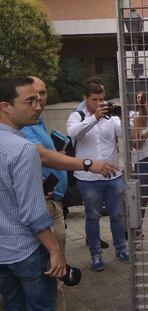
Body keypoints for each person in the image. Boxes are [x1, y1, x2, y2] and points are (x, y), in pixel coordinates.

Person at [20, 76, 117, 310]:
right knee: (44, 268)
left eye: (42, 94)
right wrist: (86, 163)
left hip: (54, 201)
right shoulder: (20, 129)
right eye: (32, 97)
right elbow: (42, 154)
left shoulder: (38, 122)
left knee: (56, 270)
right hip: (40, 204)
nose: (39, 101)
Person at [0, 77, 66, 310]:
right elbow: (32, 214)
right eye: (29, 101)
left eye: (38, 99)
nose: (37, 106)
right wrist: (55, 249)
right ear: (5, 107)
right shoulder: (23, 149)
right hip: (27, 250)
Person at [67, 83, 129, 272]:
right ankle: (95, 254)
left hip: (113, 175)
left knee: (117, 215)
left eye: (102, 99)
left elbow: (123, 133)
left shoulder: (111, 117)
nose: (99, 103)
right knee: (92, 217)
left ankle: (121, 249)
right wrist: (94, 118)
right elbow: (74, 133)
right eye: (95, 99)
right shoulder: (77, 116)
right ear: (86, 98)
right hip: (88, 178)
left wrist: (123, 116)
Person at [132, 92, 148, 247]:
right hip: (143, 160)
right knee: (142, 196)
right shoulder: (138, 119)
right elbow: (135, 144)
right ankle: (137, 232)